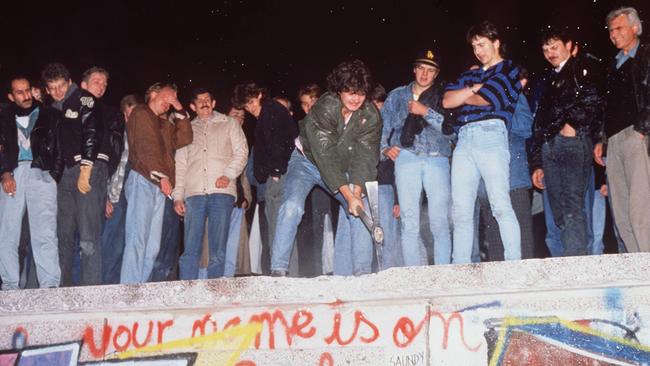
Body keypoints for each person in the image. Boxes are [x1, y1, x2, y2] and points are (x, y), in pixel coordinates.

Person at [269, 59, 381, 276]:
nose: (356, 98)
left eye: (361, 93)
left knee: (361, 210)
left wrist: (356, 193)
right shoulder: (324, 108)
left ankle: (363, 274)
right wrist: (349, 196)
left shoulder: (371, 116)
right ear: (339, 90)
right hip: (307, 162)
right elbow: (325, 157)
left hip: (341, 166)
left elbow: (365, 158)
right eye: (350, 92)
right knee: (292, 206)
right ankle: (278, 270)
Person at [443, 21, 523, 264]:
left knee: (500, 203)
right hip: (464, 140)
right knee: (461, 210)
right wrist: (473, 89)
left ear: (496, 42)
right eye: (475, 46)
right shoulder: (470, 74)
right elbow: (446, 101)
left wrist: (467, 94)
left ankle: (514, 264)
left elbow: (487, 100)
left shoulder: (510, 70)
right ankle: (460, 266)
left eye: (483, 44)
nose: (478, 50)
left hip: (491, 135)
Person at [530, 28, 604, 256]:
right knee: (559, 211)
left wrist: (571, 126)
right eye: (545, 49)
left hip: (571, 144)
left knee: (572, 207)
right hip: (550, 147)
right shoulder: (550, 79)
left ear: (569, 45)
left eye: (554, 47)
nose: (549, 53)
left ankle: (577, 265)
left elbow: (594, 100)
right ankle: (570, 262)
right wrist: (537, 163)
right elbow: (539, 123)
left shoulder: (583, 66)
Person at [381, 49, 453, 266]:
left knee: (440, 222)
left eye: (430, 70)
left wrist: (426, 112)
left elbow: (452, 131)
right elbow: (382, 127)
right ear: (414, 69)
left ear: (436, 74)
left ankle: (442, 272)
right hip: (407, 159)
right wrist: (385, 148)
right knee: (409, 221)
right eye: (421, 68)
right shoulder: (396, 95)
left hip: (437, 159)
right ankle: (414, 274)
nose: (424, 74)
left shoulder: (444, 96)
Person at [121, 82, 192, 284]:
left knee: (152, 246)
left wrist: (179, 107)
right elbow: (146, 146)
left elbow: (185, 138)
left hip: (158, 186)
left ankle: (139, 288)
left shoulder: (164, 124)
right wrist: (163, 176)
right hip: (143, 180)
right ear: (153, 93)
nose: (170, 102)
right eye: (169, 96)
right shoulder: (140, 113)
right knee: (138, 238)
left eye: (174, 99)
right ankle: (128, 289)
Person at [173, 88, 248, 279]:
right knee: (190, 248)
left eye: (208, 99)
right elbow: (180, 165)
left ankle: (215, 294)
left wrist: (228, 174)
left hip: (221, 191)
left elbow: (242, 152)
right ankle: (187, 291)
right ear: (193, 106)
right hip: (194, 194)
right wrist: (178, 197)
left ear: (213, 103)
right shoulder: (186, 129)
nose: (204, 102)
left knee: (218, 250)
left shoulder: (229, 123)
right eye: (199, 100)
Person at [43, 62, 105, 286]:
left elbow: (92, 131)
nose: (58, 91)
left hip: (84, 170)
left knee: (88, 238)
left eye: (62, 85)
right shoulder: (52, 109)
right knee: (64, 238)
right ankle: (63, 290)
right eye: (53, 87)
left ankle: (91, 293)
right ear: (47, 89)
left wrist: (86, 167)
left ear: (69, 82)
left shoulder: (84, 99)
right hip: (63, 177)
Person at [594, 6, 650, 253]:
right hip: (614, 143)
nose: (613, 35)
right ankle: (637, 270)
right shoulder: (613, 65)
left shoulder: (646, 56)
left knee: (641, 210)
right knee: (621, 213)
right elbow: (607, 107)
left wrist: (642, 130)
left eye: (619, 28)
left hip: (637, 137)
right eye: (610, 31)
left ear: (635, 28)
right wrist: (602, 141)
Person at [0, 77, 61, 290]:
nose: (26, 95)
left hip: (40, 172)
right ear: (10, 96)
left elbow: (59, 147)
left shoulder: (49, 114)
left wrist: (53, 175)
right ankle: (9, 285)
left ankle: (50, 285)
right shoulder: (3, 116)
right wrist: (5, 173)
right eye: (19, 92)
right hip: (13, 173)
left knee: (45, 231)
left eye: (27, 90)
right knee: (7, 231)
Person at [232, 82, 298, 273]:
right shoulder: (271, 111)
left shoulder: (269, 112)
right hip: (281, 175)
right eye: (246, 106)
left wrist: (276, 172)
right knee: (283, 226)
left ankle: (281, 275)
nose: (250, 108)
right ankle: (288, 274)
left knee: (277, 228)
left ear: (260, 94)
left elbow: (277, 144)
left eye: (251, 102)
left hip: (278, 178)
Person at [100, 94, 142, 284]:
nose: (131, 119)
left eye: (136, 114)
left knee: (127, 247)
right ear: (124, 116)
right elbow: (105, 169)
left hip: (136, 200)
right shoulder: (115, 134)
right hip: (116, 197)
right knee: (110, 246)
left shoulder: (144, 137)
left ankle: (119, 288)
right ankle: (105, 289)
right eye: (128, 114)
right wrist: (105, 197)